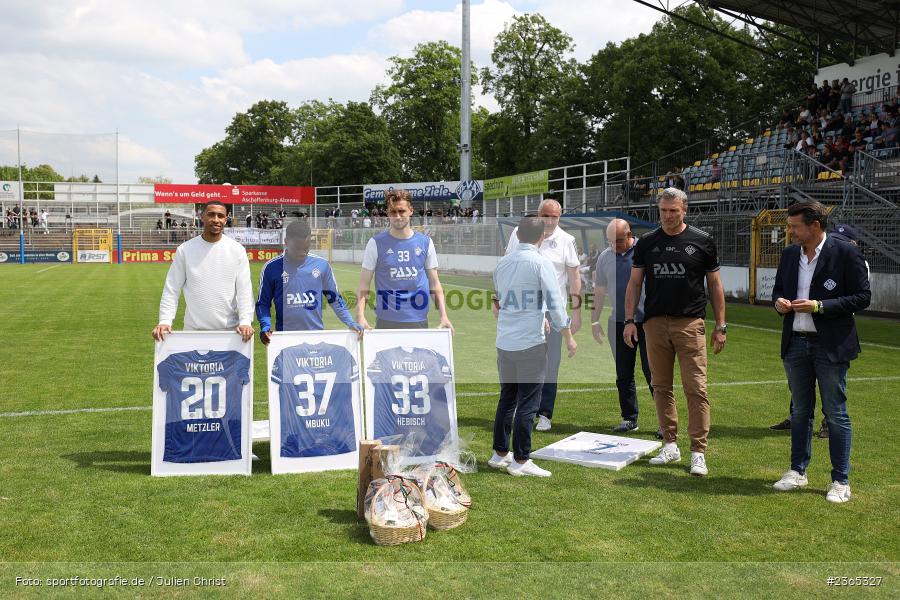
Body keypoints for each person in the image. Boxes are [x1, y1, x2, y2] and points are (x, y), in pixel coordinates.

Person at [623, 187, 727, 477]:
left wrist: (721, 325)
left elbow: (715, 285)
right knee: (660, 386)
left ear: (685, 210)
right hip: (654, 324)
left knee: (696, 388)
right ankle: (670, 444)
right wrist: (630, 320)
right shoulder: (647, 242)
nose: (668, 216)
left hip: (690, 324)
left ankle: (698, 452)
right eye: (663, 211)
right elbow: (634, 283)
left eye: (673, 211)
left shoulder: (702, 241)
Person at [771, 202, 870, 503]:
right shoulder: (790, 255)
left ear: (814, 226)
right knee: (800, 412)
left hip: (830, 345)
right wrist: (779, 303)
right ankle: (797, 471)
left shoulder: (846, 253)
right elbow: (778, 290)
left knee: (836, 413)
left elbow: (862, 297)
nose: (790, 232)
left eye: (794, 227)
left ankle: (840, 480)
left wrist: (819, 306)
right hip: (795, 342)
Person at [489, 216, 577, 477]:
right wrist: (568, 335)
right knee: (528, 402)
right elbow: (555, 303)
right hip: (529, 342)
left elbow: (503, 301)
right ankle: (521, 459)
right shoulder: (541, 262)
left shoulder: (503, 263)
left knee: (507, 398)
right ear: (542, 237)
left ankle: (499, 453)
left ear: (518, 235)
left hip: (505, 341)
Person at [505, 198, 581, 432]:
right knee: (521, 357)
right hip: (523, 308)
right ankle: (520, 406)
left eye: (554, 217)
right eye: (545, 216)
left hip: (552, 310)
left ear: (560, 217)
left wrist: (576, 311)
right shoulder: (519, 233)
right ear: (537, 215)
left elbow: (574, 276)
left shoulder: (566, 240)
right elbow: (508, 264)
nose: (549, 221)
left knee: (550, 362)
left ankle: (545, 413)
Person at [152, 201, 254, 343]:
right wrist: (165, 320)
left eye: (220, 216)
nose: (216, 220)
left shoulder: (237, 250)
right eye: (211, 215)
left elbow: (244, 290)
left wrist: (245, 321)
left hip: (230, 335)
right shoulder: (185, 250)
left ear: (226, 219)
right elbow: (172, 288)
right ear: (202, 217)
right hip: (193, 333)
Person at [355, 189, 453, 332]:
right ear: (387, 213)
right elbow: (364, 284)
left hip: (418, 320)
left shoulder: (425, 242)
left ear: (411, 210)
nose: (397, 216)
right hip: (386, 322)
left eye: (401, 211)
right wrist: (360, 316)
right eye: (393, 212)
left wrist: (443, 316)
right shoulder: (375, 243)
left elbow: (434, 282)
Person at [592, 219, 655, 434]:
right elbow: (599, 290)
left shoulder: (645, 251)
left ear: (630, 235)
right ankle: (629, 418)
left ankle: (665, 422)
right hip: (618, 322)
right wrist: (594, 320)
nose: (614, 245)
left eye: (618, 241)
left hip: (647, 322)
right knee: (623, 374)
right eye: (610, 241)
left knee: (653, 373)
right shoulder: (604, 257)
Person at [256, 219, 363, 344]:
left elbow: (335, 299)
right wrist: (265, 326)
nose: (302, 252)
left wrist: (350, 322)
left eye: (306, 248)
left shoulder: (322, 265)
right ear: (286, 242)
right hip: (285, 340)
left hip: (315, 339)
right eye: (297, 248)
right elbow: (263, 303)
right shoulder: (271, 268)